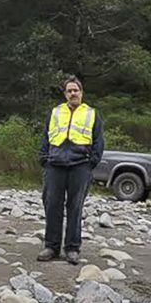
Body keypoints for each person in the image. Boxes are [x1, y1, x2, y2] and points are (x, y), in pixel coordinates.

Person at [37, 75, 105, 265]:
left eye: (76, 90)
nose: (73, 93)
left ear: (81, 93)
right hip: (54, 164)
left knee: (75, 207)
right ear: (65, 94)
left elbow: (99, 141)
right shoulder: (55, 112)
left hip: (80, 165)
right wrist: (44, 158)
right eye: (69, 90)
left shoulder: (92, 113)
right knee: (52, 205)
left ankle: (72, 248)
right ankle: (51, 246)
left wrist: (92, 162)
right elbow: (46, 135)